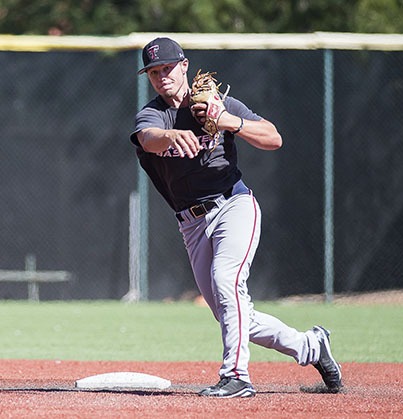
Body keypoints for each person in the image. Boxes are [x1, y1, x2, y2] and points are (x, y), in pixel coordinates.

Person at [130, 37, 343, 398]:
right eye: (153, 72)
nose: (161, 76)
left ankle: (237, 376)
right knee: (233, 313)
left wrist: (228, 121)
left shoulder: (217, 104)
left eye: (167, 68)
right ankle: (311, 346)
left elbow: (273, 138)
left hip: (233, 205)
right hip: (192, 223)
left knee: (227, 281)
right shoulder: (154, 114)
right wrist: (169, 135)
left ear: (184, 66)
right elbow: (148, 138)